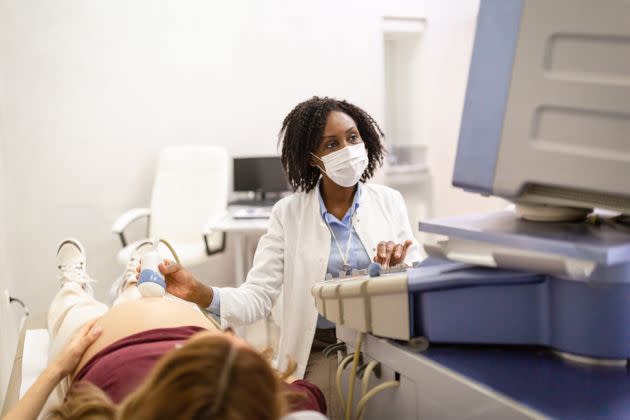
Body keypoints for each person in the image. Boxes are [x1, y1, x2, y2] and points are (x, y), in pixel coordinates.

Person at [144, 96, 422, 417]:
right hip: (323, 349)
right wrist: (198, 292)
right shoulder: (288, 214)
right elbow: (258, 297)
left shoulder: (389, 202)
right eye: (331, 144)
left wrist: (399, 266)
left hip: (384, 346)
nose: (347, 149)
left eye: (352, 137)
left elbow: (416, 274)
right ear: (312, 158)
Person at [2, 239, 326, 420]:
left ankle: (75, 285)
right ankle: (135, 279)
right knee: (142, 293)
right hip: (173, 328)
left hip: (97, 346)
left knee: (72, 308)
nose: (230, 337)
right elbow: (310, 394)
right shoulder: (266, 407)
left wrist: (57, 368)